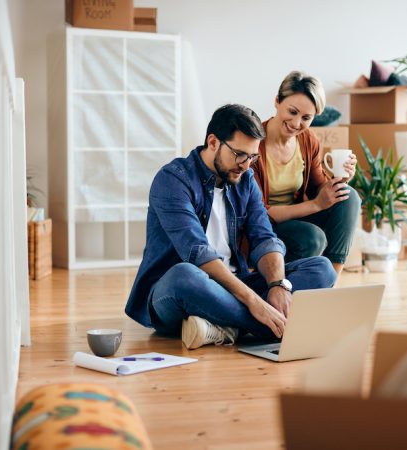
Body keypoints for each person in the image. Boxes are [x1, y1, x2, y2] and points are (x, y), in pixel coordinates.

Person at [125, 104, 336, 349]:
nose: (246, 165)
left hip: (236, 284)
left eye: (253, 157)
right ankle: (272, 327)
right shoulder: (173, 179)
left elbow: (264, 237)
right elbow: (198, 253)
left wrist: (277, 285)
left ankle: (225, 328)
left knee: (322, 269)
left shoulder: (245, 179)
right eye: (240, 154)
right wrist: (256, 304)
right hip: (180, 291)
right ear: (213, 142)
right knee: (185, 275)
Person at [253, 71, 361, 276]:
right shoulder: (254, 144)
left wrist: (339, 181)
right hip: (264, 227)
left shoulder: (308, 141)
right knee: (312, 238)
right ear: (277, 101)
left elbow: (316, 187)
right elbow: (261, 211)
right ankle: (281, 288)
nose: (296, 123)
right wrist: (315, 205)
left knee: (348, 196)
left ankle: (330, 279)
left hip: (296, 218)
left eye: (306, 118)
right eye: (292, 112)